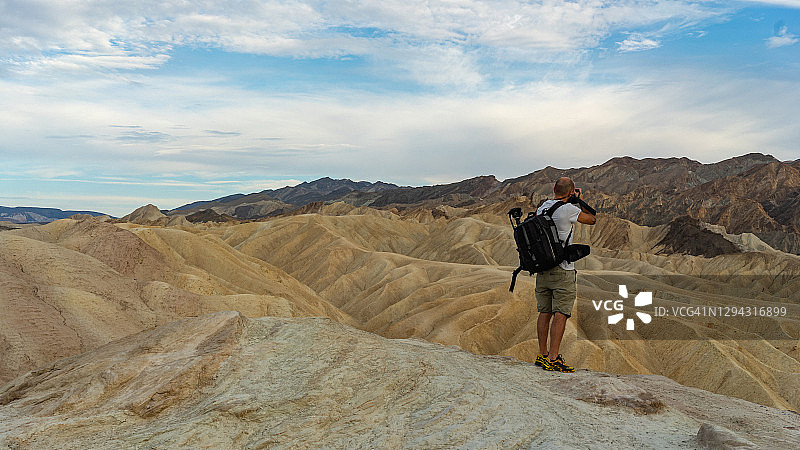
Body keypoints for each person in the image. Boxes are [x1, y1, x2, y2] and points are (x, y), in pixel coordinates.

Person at [535, 177, 596, 372]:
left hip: (543, 268)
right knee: (560, 313)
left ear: (554, 190)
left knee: (544, 312)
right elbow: (592, 219)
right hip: (562, 269)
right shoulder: (569, 209)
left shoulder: (543, 207)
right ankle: (553, 359)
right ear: (570, 192)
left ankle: (542, 355)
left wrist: (569, 199)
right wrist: (578, 200)